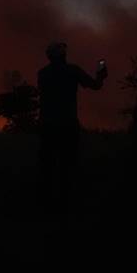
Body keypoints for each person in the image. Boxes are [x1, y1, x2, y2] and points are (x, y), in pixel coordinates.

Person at [37, 41, 106, 214]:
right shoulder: (72, 70)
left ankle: (47, 204)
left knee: (48, 165)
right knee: (67, 164)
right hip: (67, 124)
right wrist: (101, 75)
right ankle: (65, 204)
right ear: (63, 55)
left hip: (47, 125)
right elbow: (95, 86)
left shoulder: (42, 74)